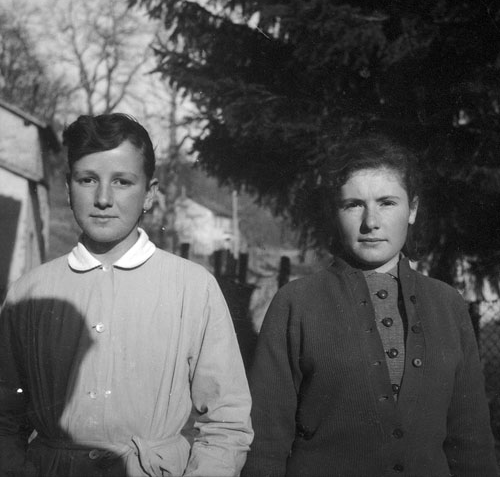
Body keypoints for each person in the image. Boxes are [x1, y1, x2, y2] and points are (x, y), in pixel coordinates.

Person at [0, 113, 253, 477]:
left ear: (149, 193)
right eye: (88, 180)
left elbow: (227, 422)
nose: (103, 198)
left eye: (122, 181)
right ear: (68, 188)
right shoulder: (30, 292)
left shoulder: (193, 287)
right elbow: (5, 418)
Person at [242, 133, 499, 477]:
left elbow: (472, 443)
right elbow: (265, 443)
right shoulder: (296, 303)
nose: (371, 222)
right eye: (353, 205)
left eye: (387, 202)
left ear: (413, 210)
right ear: (335, 212)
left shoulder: (447, 304)